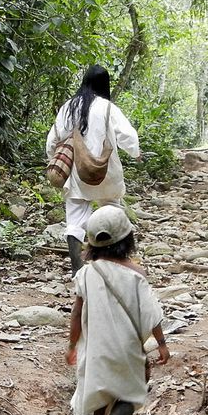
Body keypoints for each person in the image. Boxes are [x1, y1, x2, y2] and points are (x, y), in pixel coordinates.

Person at [66, 205, 169, 415]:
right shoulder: (137, 274)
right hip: (126, 348)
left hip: (95, 349)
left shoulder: (86, 273)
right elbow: (152, 314)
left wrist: (71, 345)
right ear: (128, 240)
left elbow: (77, 313)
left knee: (94, 402)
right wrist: (162, 344)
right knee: (133, 391)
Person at [46, 65, 141, 277]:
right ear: (104, 84)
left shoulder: (67, 107)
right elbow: (127, 135)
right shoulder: (107, 107)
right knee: (113, 211)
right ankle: (114, 262)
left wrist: (56, 158)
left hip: (77, 173)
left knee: (75, 219)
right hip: (105, 171)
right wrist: (135, 152)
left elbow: (53, 140)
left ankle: (77, 268)